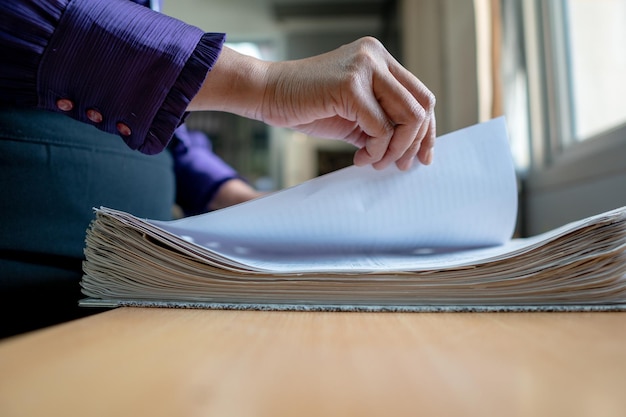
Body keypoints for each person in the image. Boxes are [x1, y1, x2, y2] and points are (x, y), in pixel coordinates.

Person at [0, 0, 436, 338]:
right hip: (27, 253)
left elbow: (171, 136)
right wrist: (266, 84)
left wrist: (240, 200)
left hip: (145, 278)